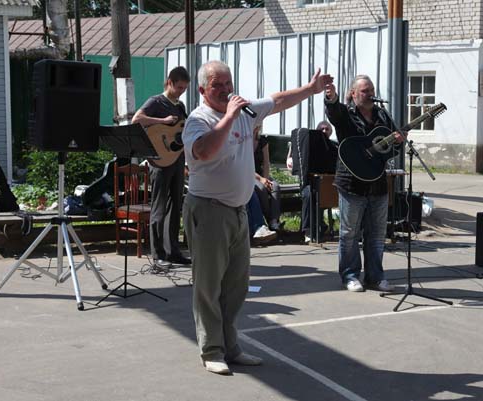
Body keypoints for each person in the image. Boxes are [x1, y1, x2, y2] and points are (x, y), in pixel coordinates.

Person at [182, 60, 333, 374]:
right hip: (209, 211)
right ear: (202, 90)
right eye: (217, 86)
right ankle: (211, 350)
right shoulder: (199, 120)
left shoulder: (244, 112)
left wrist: (310, 89)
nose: (225, 90)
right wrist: (229, 117)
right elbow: (205, 152)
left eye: (228, 84)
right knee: (209, 286)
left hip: (238, 212)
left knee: (236, 285)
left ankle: (230, 346)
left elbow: (277, 101)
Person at [324, 75, 404, 293]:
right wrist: (331, 98)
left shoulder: (383, 116)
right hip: (351, 183)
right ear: (353, 93)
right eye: (364, 91)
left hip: (377, 182)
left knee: (377, 233)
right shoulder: (346, 115)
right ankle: (350, 275)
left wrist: (397, 142)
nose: (370, 95)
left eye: (371, 90)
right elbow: (334, 112)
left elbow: (389, 152)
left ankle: (375, 277)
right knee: (349, 233)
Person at [132, 66, 191, 268]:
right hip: (159, 160)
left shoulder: (181, 106)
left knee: (176, 205)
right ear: (169, 82)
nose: (181, 91)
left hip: (177, 159)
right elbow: (136, 119)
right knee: (159, 206)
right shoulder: (156, 101)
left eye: (184, 88)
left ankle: (173, 251)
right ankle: (157, 254)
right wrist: (162, 120)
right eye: (179, 87)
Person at [298, 121, 336, 243]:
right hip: (309, 184)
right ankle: (308, 231)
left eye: (327, 129)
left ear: (331, 132)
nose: (324, 131)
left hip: (327, 185)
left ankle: (321, 226)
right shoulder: (308, 146)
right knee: (309, 194)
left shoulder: (334, 147)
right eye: (322, 129)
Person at [253, 125, 282, 231]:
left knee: (275, 186)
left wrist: (266, 179)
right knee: (261, 188)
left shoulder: (263, 141)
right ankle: (270, 219)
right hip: (248, 174)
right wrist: (261, 179)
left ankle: (274, 221)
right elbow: (244, 166)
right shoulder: (243, 140)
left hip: (261, 174)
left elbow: (266, 163)